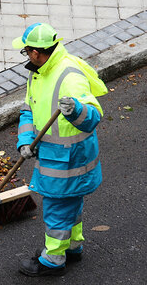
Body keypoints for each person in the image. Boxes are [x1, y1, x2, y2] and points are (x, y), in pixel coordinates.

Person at [12, 23, 108, 276]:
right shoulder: (39, 72)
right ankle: (73, 246)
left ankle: (52, 260)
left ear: (35, 52)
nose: (25, 56)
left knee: (57, 209)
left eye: (25, 51)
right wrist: (25, 141)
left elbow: (93, 116)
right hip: (54, 155)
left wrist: (76, 110)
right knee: (70, 205)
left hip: (69, 160)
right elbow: (28, 109)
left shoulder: (69, 76)